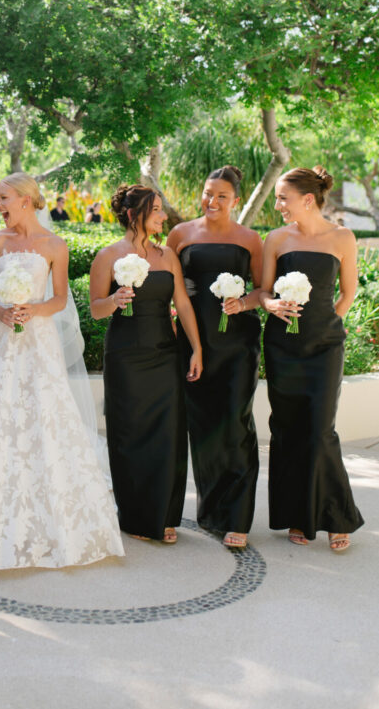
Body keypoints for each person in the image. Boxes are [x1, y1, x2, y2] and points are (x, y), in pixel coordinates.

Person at [0, 173, 124, 568]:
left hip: (38, 342)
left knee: (45, 418)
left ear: (26, 199)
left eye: (3, 198)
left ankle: (56, 519)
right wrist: (1, 312)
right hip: (1, 341)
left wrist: (34, 310)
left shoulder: (54, 246)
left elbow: (60, 298)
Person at [90, 184, 202, 545]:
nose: (163, 216)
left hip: (165, 353)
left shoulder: (167, 255)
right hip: (125, 354)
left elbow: (182, 305)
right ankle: (135, 516)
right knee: (128, 434)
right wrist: (115, 299)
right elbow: (95, 310)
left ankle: (165, 514)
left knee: (167, 433)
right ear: (134, 214)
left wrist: (196, 349)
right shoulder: (107, 256)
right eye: (156, 210)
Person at [260, 165, 363, 552]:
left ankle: (337, 516)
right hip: (282, 348)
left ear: (307, 199)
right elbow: (264, 291)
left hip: (324, 347)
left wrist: (327, 324)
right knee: (287, 430)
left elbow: (348, 292)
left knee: (321, 431)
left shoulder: (343, 237)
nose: (278, 205)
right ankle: (297, 516)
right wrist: (271, 304)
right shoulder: (275, 238)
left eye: (283, 198)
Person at [166, 165, 263, 549]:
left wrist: (243, 302)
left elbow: (263, 289)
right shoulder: (181, 234)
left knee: (236, 424)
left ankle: (237, 518)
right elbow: (166, 285)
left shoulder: (251, 239)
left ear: (235, 201)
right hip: (192, 342)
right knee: (203, 428)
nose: (212, 201)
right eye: (208, 193)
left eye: (222, 196)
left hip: (238, 344)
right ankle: (212, 510)